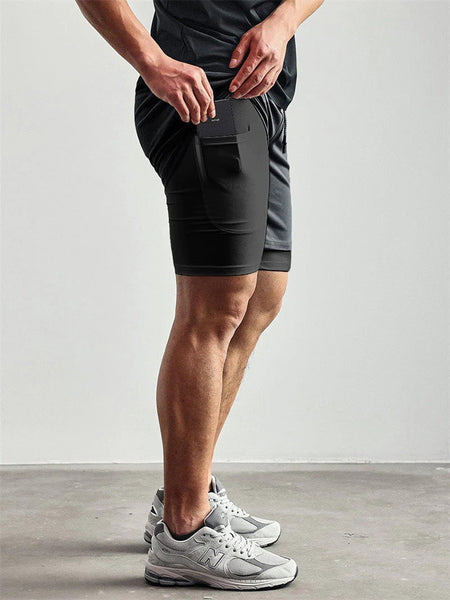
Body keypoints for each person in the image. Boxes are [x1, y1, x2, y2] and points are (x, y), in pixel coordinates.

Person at [75, 0, 324, 590]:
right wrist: (153, 62)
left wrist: (283, 23)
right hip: (204, 100)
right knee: (214, 311)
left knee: (261, 300)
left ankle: (185, 491)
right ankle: (184, 532)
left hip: (265, 98)